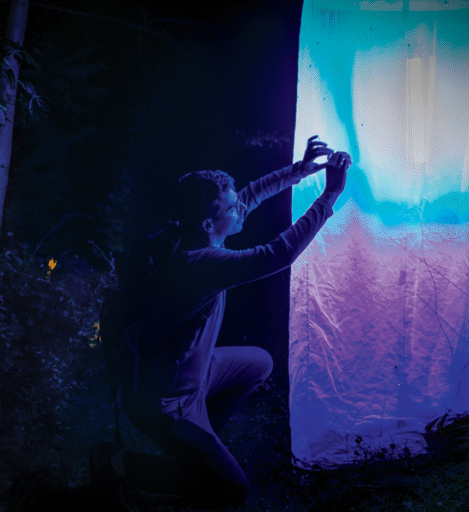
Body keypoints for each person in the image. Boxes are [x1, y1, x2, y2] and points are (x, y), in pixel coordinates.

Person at [91, 136, 352, 509]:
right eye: (232, 207)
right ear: (208, 222)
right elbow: (278, 253)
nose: (241, 207)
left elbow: (250, 195)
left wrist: (301, 170)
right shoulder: (201, 265)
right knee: (232, 490)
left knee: (259, 363)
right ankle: (114, 462)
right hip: (164, 403)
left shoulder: (191, 235)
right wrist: (328, 197)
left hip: (189, 378)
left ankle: (198, 444)